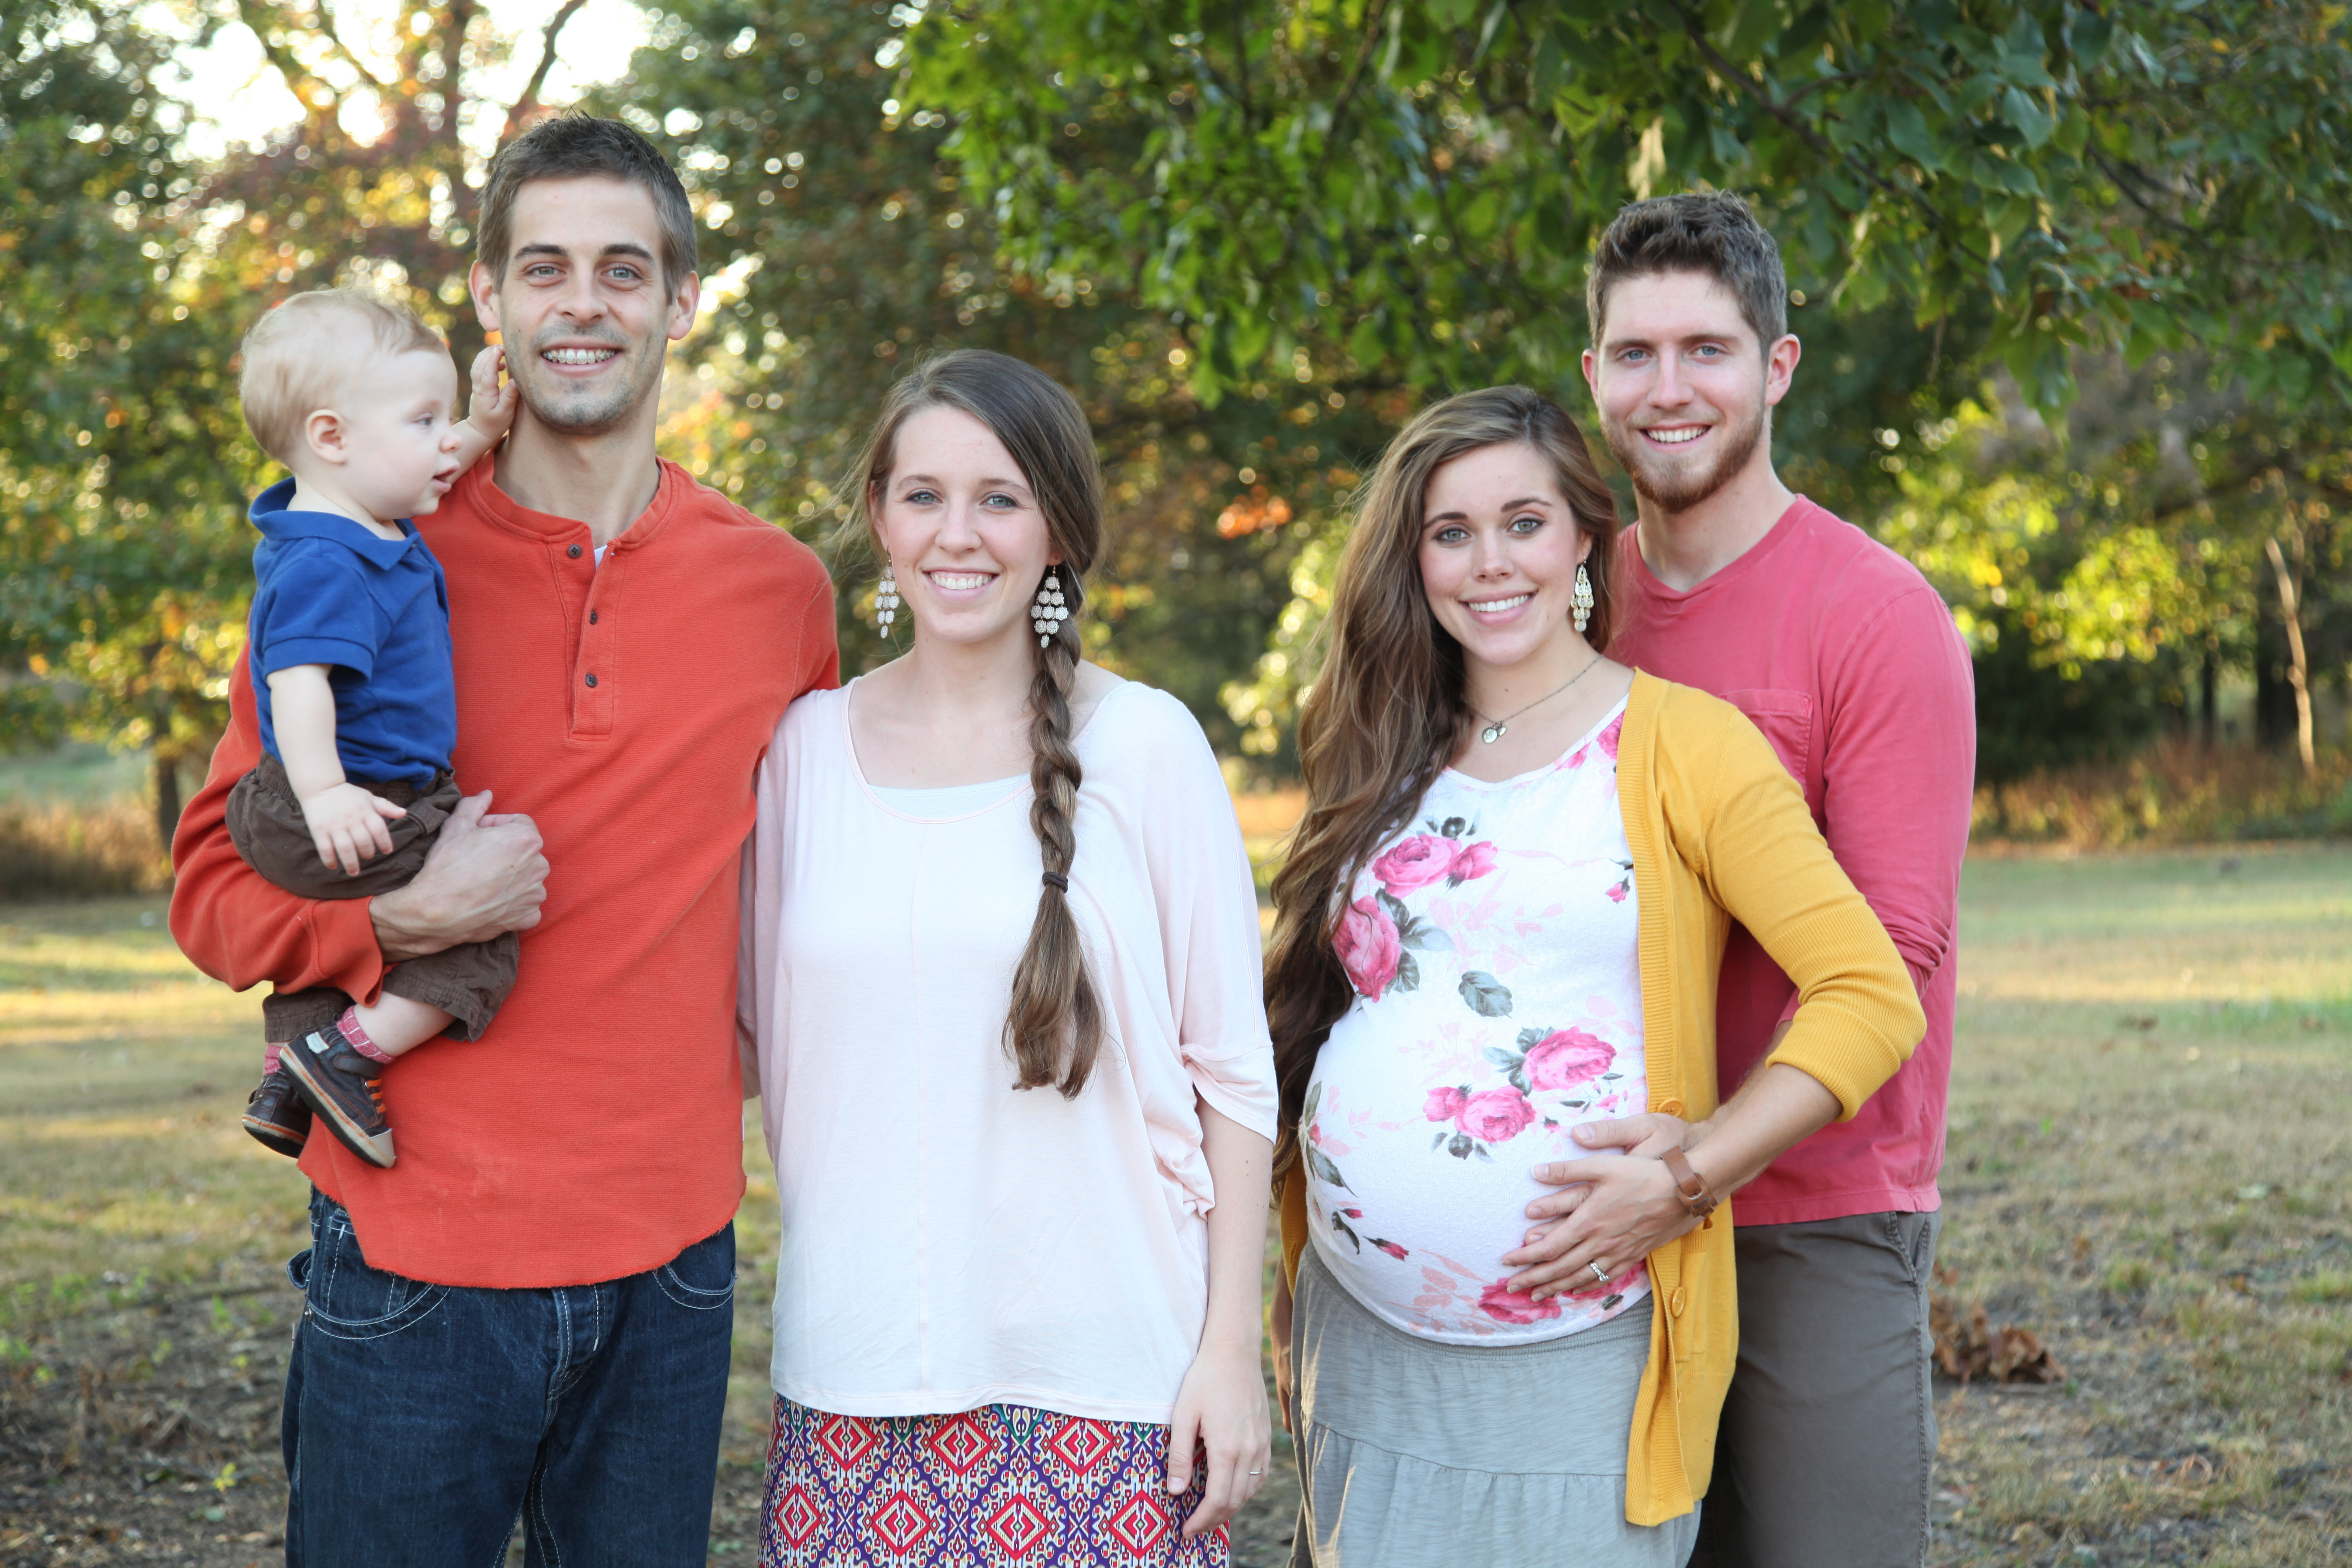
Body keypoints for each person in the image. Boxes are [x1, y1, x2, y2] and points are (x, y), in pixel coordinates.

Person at [169, 115, 837, 1566]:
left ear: (681, 300)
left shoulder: (777, 592)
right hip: (413, 1261)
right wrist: (393, 928)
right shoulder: (359, 551)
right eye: (543, 267)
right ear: (487, 298)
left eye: (621, 267)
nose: (580, 303)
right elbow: (214, 892)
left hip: (671, 1271)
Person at [1261, 384, 1926, 1565]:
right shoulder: (1375, 739)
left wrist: (1691, 1171)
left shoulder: (1686, 744)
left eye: (1523, 522)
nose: (1488, 563)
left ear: (1583, 535)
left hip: (1583, 1351)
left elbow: (1870, 995)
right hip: (1360, 1345)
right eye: (1449, 532)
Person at [738, 349, 1275, 1567]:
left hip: (1113, 1385)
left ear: (1058, 529)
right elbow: (741, 1039)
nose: (956, 533)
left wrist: (1229, 1352)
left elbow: (1235, 1078)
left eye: (1000, 496)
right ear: (879, 519)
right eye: (922, 495)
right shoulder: (803, 754)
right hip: (853, 1379)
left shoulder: (1147, 746)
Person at [1567, 192, 1978, 1568]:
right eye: (1634, 354)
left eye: (1707, 350)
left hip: (1813, 1204)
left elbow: (1892, 955)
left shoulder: (1875, 617)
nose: (1667, 388)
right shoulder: (1557, 611)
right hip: (1594, 1190)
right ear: (1592, 377)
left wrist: (1690, 1174)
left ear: (1776, 366)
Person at [229, 288, 519, 1169]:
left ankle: (287, 1077)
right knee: (488, 914)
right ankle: (345, 1053)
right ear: (332, 439)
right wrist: (325, 793)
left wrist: (477, 423)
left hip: (323, 799)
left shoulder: (360, 520)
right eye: (421, 420)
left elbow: (437, 460)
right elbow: (297, 682)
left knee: (345, 932)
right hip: (351, 796)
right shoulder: (326, 559)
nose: (446, 445)